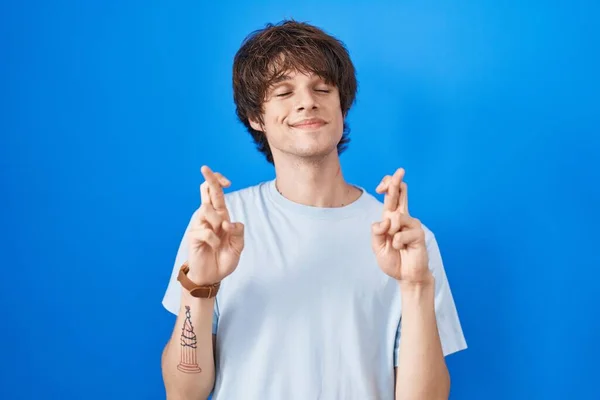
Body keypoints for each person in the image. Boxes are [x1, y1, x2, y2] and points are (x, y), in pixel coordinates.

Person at [160, 19, 467, 400]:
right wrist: (199, 287)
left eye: (322, 87)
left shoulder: (405, 240)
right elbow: (183, 392)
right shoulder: (218, 228)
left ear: (342, 107)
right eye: (284, 92)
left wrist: (416, 285)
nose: (307, 101)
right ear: (256, 117)